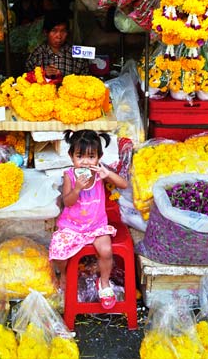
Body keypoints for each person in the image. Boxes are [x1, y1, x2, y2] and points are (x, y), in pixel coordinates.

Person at [49, 129, 128, 309]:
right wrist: (77, 188)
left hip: (96, 226)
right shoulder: (69, 175)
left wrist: (107, 174)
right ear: (71, 157)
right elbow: (68, 202)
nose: (85, 161)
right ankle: (64, 274)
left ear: (99, 157)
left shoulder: (101, 173)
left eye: (91, 156)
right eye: (80, 156)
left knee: (106, 251)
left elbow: (124, 184)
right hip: (72, 227)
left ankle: (104, 282)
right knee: (58, 252)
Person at [25, 9, 90, 81]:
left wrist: (63, 79)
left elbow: (86, 83)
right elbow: (27, 82)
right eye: (54, 31)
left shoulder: (78, 56)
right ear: (46, 32)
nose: (59, 36)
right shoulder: (36, 55)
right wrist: (42, 74)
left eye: (63, 31)